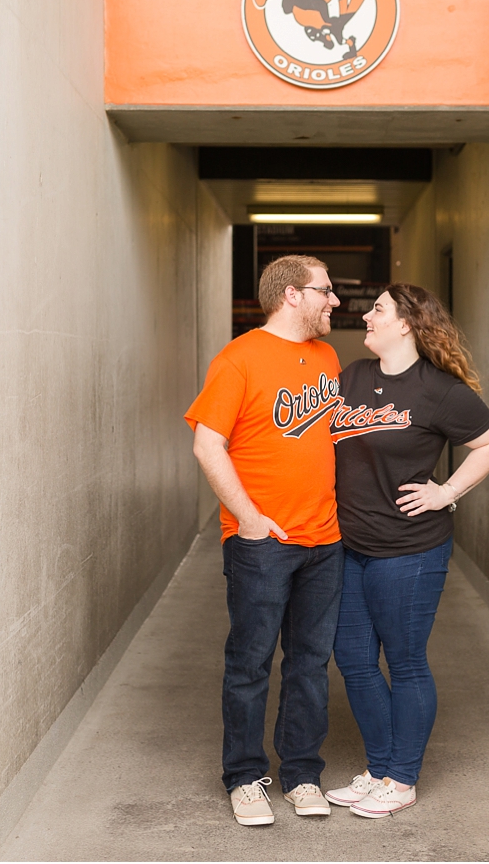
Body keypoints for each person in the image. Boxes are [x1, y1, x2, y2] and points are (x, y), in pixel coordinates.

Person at [323, 283, 489, 819]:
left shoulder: (440, 390)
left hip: (409, 551)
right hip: (350, 546)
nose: (366, 316)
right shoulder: (352, 377)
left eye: (377, 309)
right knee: (354, 660)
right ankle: (379, 768)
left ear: (406, 322)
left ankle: (401, 778)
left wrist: (447, 492)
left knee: (403, 663)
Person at [185, 255, 346, 827]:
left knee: (308, 663)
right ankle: (245, 777)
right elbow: (209, 444)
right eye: (325, 291)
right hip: (262, 544)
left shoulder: (327, 357)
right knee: (250, 663)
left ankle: (302, 774)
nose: (335, 301)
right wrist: (249, 519)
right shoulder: (239, 360)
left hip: (324, 541)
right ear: (292, 296)